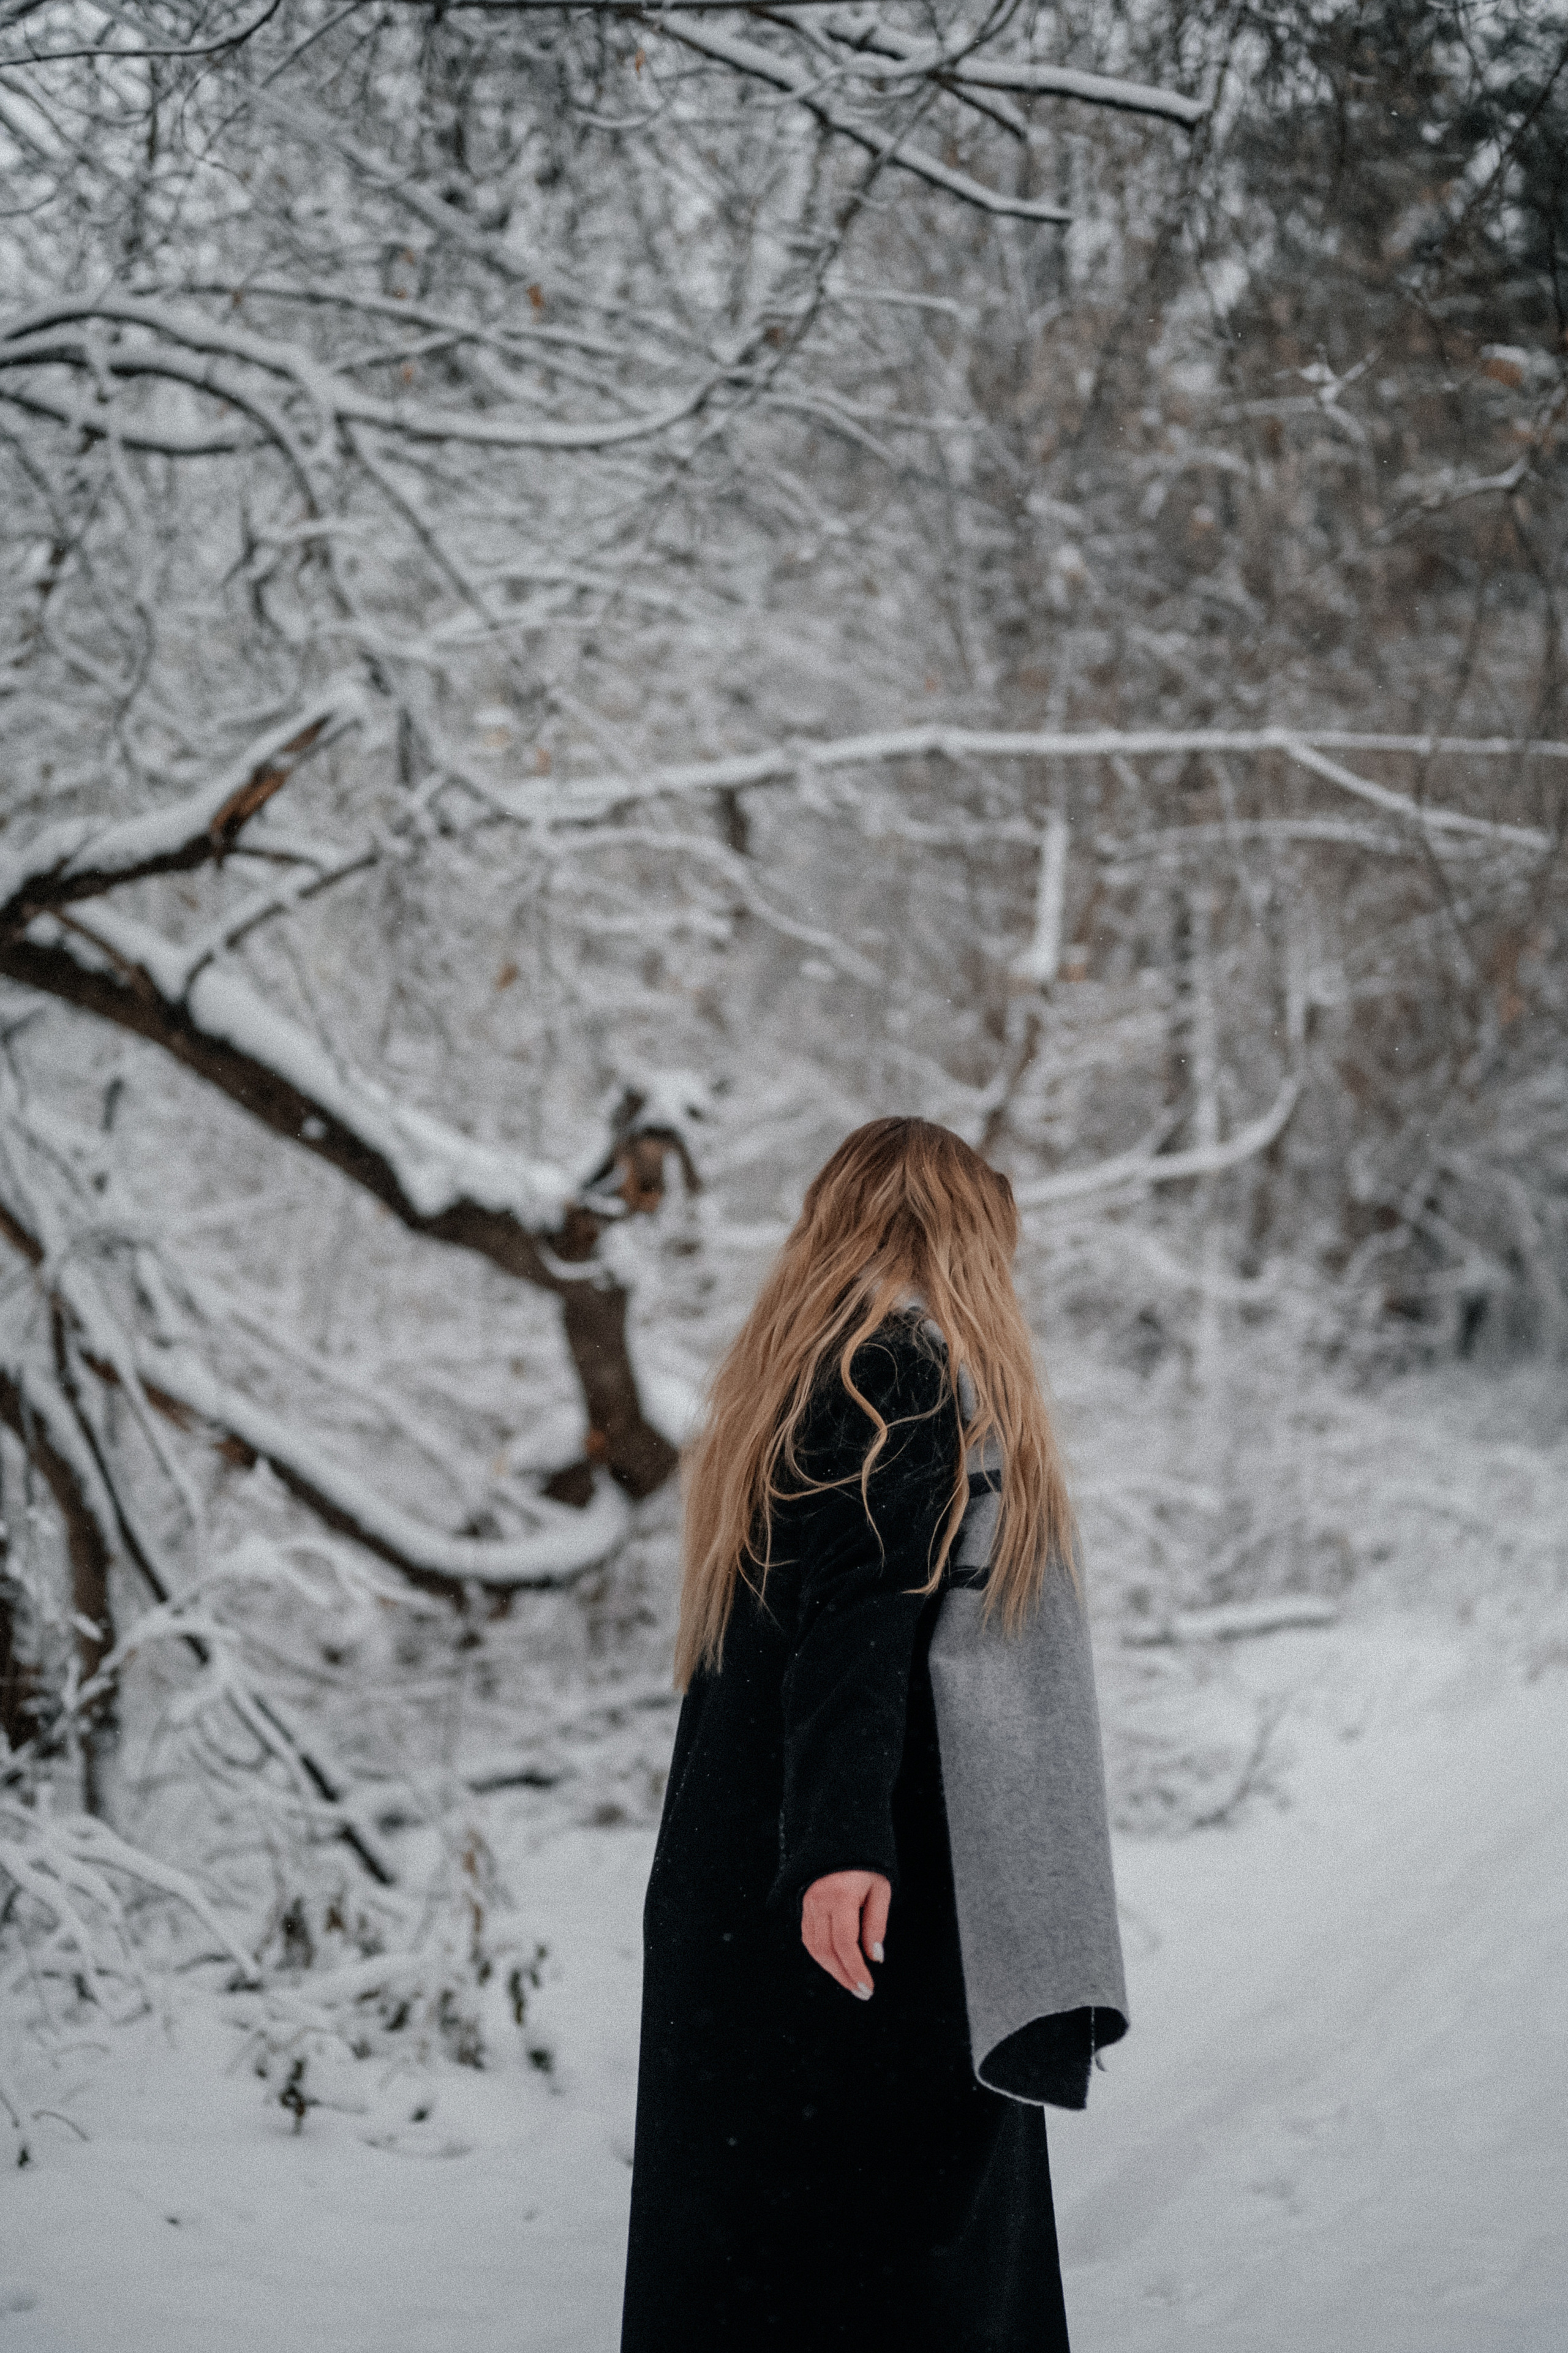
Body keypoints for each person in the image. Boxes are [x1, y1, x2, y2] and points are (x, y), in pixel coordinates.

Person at [620, 1117, 1094, 2352]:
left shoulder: (798, 1381)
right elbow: (856, 1624)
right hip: (850, 1891)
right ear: (953, 1237)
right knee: (890, 2260)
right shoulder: (895, 1373)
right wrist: (842, 1842)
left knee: (766, 2253)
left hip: (751, 1886)